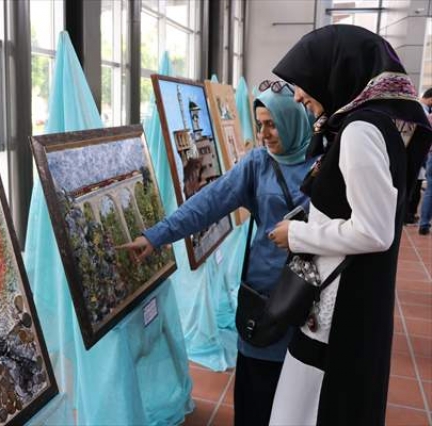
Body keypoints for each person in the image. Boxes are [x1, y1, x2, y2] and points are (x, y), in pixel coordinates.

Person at [119, 86, 315, 426]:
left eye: (272, 124)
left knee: (299, 396)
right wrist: (156, 236)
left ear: (293, 120)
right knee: (256, 395)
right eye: (259, 124)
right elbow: (208, 203)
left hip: (310, 296)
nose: (264, 134)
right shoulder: (258, 164)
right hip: (265, 296)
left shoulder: (324, 164)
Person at [267, 25, 432, 425]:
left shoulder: (360, 131)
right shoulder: (373, 126)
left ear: (334, 72)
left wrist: (297, 234)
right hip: (344, 297)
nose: (298, 94)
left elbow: (375, 231)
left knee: (309, 408)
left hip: (336, 306)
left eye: (304, 82)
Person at [406, 89, 432, 223]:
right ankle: (409, 215)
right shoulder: (421, 111)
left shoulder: (416, 109)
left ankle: (411, 216)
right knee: (415, 187)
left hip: (415, 156)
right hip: (418, 156)